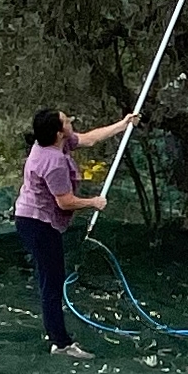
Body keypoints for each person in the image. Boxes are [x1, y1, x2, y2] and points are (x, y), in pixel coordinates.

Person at [15, 108, 140, 359]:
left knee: (50, 279)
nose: (71, 121)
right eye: (66, 121)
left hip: (38, 220)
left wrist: (123, 124)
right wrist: (93, 202)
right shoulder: (52, 162)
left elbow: (89, 139)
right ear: (59, 132)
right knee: (52, 283)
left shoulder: (57, 143)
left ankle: (56, 335)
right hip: (37, 223)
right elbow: (65, 202)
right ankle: (61, 344)